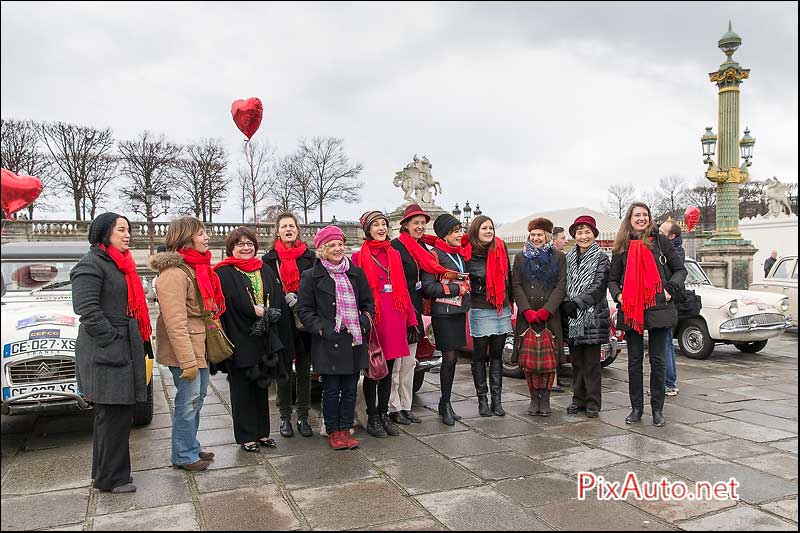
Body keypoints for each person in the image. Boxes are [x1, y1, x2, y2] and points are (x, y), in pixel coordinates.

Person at [71, 212, 149, 493]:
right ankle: (112, 478)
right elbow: (86, 310)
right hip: (106, 351)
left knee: (115, 415)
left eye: (128, 230)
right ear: (104, 233)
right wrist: (112, 337)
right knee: (112, 415)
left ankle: (106, 474)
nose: (127, 235)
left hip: (121, 345)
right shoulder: (90, 264)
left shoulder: (119, 264)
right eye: (120, 230)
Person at [148, 217, 222, 471]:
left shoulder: (192, 268)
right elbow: (175, 322)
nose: (207, 237)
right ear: (187, 237)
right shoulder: (173, 274)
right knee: (188, 401)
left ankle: (189, 444)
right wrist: (187, 361)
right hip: (185, 350)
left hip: (196, 346)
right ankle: (184, 454)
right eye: (202, 233)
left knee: (197, 399)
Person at [214, 227, 293, 451]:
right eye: (241, 244)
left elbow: (275, 295)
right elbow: (232, 302)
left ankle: (262, 433)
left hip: (264, 337)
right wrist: (255, 312)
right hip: (241, 335)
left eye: (250, 244)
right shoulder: (224, 272)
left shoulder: (264, 269)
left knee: (262, 385)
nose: (246, 248)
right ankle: (246, 436)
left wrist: (272, 312)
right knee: (242, 390)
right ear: (231, 248)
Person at [608, 203, 686, 427]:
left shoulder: (660, 241)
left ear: (649, 218)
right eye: (637, 215)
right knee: (634, 361)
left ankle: (658, 409)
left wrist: (669, 291)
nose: (641, 218)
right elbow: (612, 278)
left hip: (658, 305)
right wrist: (619, 295)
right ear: (629, 219)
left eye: (645, 215)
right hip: (632, 307)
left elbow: (680, 270)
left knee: (658, 360)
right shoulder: (622, 245)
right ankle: (636, 408)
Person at [296, 226, 374, 450]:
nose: (338, 249)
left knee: (350, 389)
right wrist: (323, 329)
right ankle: (332, 430)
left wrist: (365, 321)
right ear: (322, 250)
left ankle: (345, 428)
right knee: (331, 390)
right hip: (329, 342)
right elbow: (304, 309)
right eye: (332, 245)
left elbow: (368, 303)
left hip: (353, 340)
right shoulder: (311, 276)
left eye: (340, 244)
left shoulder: (356, 273)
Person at [352, 211, 419, 438]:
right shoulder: (358, 257)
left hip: (395, 318)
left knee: (389, 371)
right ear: (367, 229)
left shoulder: (395, 254)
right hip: (375, 319)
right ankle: (372, 417)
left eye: (384, 224)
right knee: (374, 371)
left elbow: (404, 291)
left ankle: (383, 413)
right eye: (376, 225)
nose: (381, 228)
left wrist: (412, 320)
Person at [390, 204, 446, 425]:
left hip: (415, 310)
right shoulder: (395, 247)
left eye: (423, 222)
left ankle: (406, 405)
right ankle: (392, 407)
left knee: (410, 363)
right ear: (405, 225)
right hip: (398, 310)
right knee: (395, 365)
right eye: (416, 223)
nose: (420, 226)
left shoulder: (423, 247)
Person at [263, 211, 317, 438]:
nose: (288, 230)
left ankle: (304, 416)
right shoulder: (269, 259)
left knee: (305, 371)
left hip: (304, 319)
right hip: (281, 321)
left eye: (292, 226)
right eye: (284, 226)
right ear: (277, 231)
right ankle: (285, 416)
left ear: (297, 230)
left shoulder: (310, 257)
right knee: (284, 372)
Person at [512, 217, 566, 417]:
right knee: (529, 362)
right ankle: (533, 398)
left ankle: (546, 399)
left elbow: (561, 285)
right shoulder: (520, 258)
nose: (536, 238)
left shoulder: (558, 257)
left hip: (549, 316)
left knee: (548, 362)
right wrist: (526, 310)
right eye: (533, 234)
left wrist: (546, 310)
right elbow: (516, 284)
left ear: (547, 237)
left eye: (539, 235)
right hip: (528, 316)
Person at [422, 213, 471, 425]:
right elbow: (429, 287)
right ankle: (444, 404)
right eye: (456, 231)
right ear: (444, 234)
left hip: (458, 312)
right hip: (443, 313)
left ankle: (447, 402)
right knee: (448, 359)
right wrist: (456, 288)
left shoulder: (458, 255)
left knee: (454, 360)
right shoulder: (434, 254)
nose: (460, 234)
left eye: (460, 230)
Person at [560, 215, 610, 418]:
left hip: (592, 316)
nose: (583, 236)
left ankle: (593, 403)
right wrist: (566, 302)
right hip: (572, 317)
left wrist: (577, 303)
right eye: (579, 232)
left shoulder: (602, 258)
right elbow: (562, 282)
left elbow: (599, 286)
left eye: (587, 232)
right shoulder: (568, 257)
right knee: (577, 362)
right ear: (574, 235)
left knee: (591, 364)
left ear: (594, 234)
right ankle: (577, 400)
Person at [465, 215, 513, 417]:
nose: (488, 231)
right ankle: (482, 400)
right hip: (479, 308)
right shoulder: (467, 253)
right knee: (479, 355)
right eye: (484, 228)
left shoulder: (501, 248)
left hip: (500, 308)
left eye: (491, 228)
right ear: (476, 231)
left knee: (496, 354)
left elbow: (509, 277)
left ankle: (497, 401)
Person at [658, 220, 686, 397]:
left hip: (667, 302)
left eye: (662, 231)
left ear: (671, 236)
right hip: (666, 302)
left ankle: (669, 383)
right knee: (664, 343)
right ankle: (667, 381)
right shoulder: (673, 249)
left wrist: (667, 290)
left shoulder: (673, 251)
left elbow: (676, 273)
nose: (658, 233)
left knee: (666, 344)